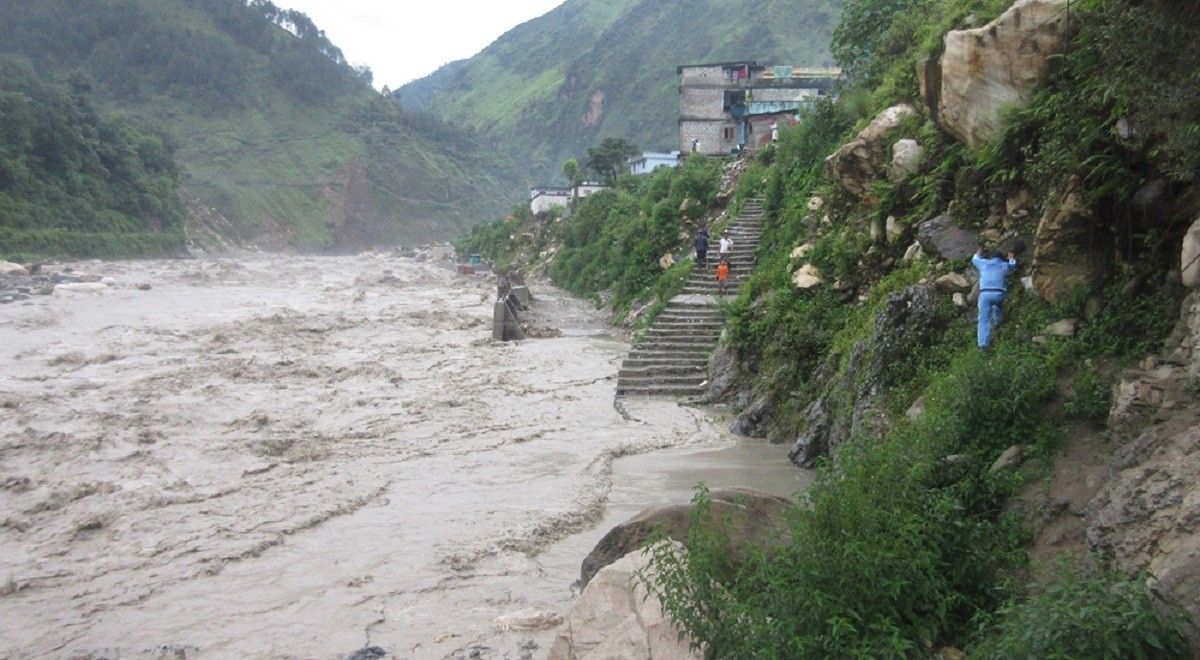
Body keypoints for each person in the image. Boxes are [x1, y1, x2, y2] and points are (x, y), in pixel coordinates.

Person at [972, 246, 1018, 351]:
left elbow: (974, 259)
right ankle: (998, 321)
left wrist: (978, 251)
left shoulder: (983, 263)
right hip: (999, 294)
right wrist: (1011, 257)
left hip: (985, 294)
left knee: (983, 319)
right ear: (1002, 259)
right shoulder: (1003, 265)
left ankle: (983, 345)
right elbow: (1013, 264)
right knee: (998, 304)